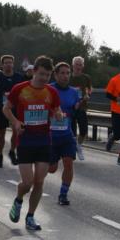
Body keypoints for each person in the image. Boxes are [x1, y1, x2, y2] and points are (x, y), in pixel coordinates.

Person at [5, 56, 63, 231]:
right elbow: (6, 109)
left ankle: (30, 217)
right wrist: (15, 122)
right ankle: (18, 199)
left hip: (44, 141)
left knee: (39, 182)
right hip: (25, 141)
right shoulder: (20, 89)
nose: (45, 78)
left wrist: (58, 114)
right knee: (28, 182)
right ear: (34, 71)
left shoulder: (51, 92)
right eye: (42, 74)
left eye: (48, 75)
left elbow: (56, 110)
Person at [48, 62, 81, 205]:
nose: (65, 76)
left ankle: (63, 194)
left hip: (67, 135)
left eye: (68, 73)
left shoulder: (74, 92)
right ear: (55, 74)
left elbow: (75, 111)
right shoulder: (48, 89)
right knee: (52, 169)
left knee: (69, 164)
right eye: (62, 73)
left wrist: (78, 107)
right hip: (50, 136)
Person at [0, 55, 25, 168]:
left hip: (16, 108)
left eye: (10, 62)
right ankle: (0, 155)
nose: (8, 64)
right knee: (2, 133)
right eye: (6, 63)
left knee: (16, 131)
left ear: (13, 64)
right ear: (2, 64)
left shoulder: (19, 77)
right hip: (2, 108)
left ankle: (12, 151)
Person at [70, 56, 92, 161]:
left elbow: (89, 89)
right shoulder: (68, 77)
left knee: (83, 130)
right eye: (76, 64)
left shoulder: (86, 77)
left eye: (80, 64)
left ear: (82, 66)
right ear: (73, 65)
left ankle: (78, 146)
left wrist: (88, 94)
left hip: (82, 106)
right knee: (72, 131)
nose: (78, 66)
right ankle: (72, 151)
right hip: (70, 108)